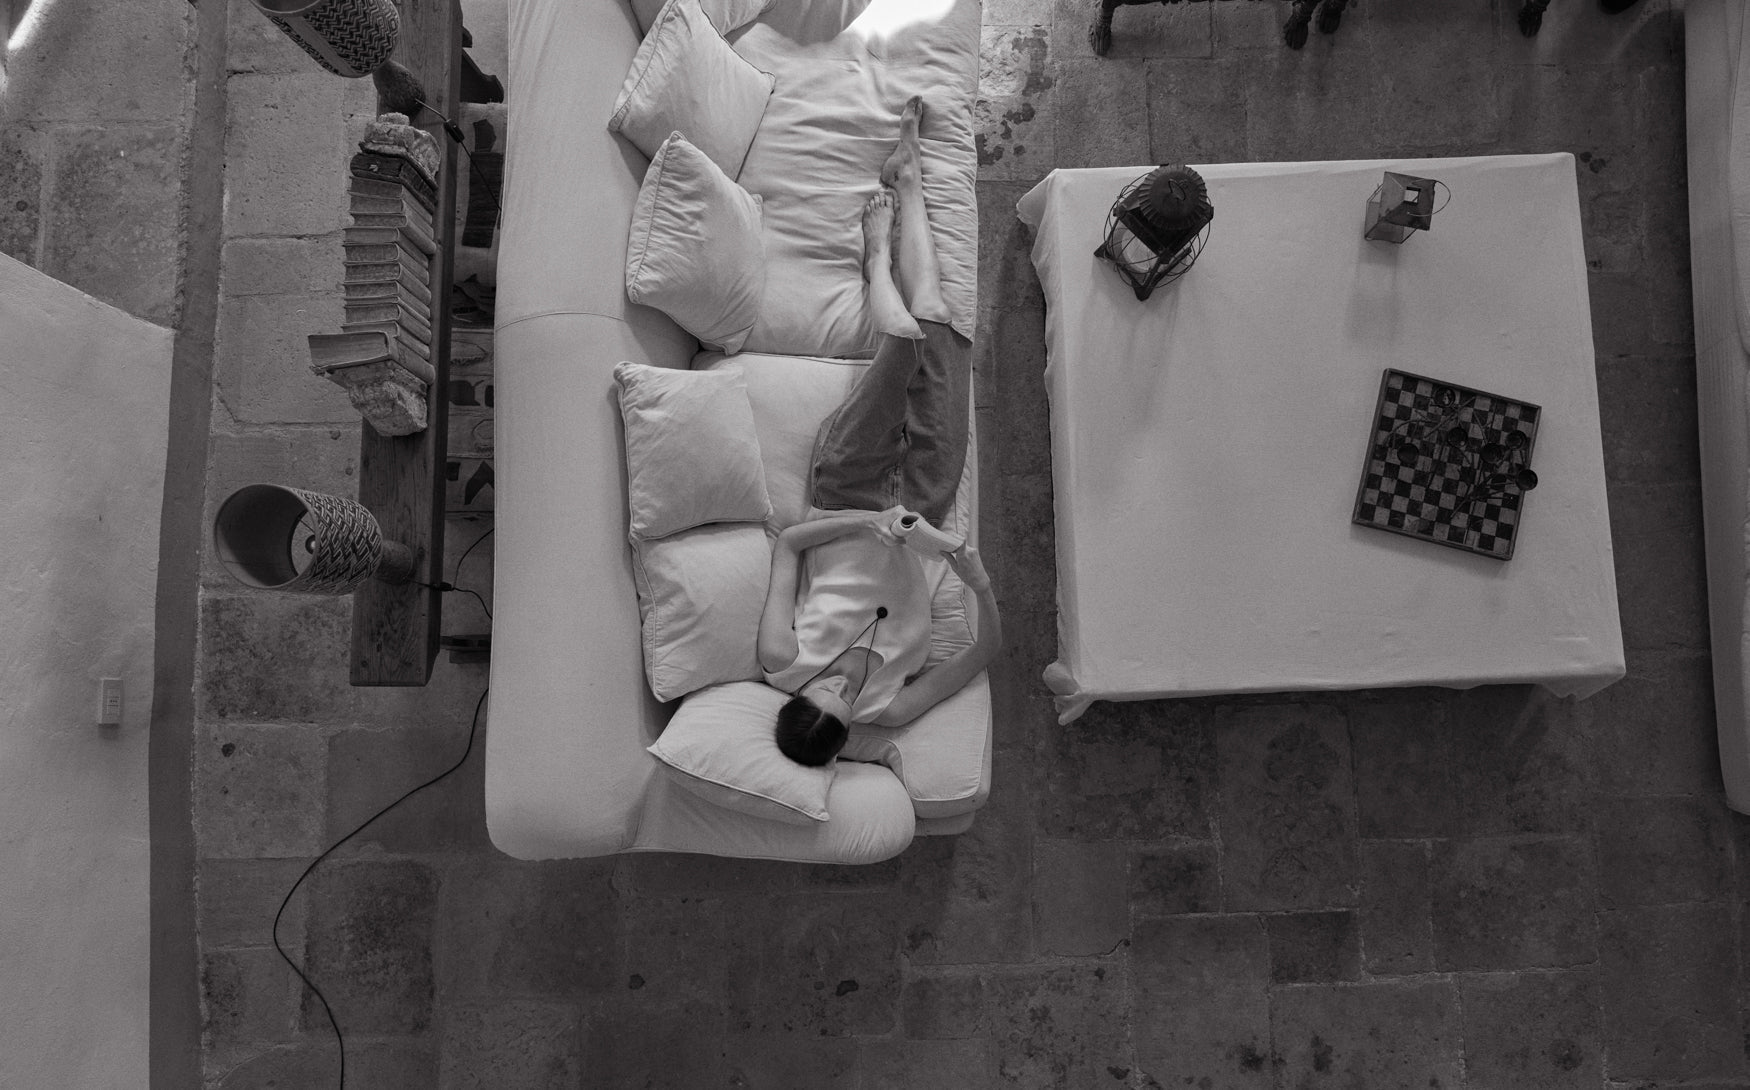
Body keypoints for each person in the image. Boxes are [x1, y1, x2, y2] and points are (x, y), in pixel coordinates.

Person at [757, 96, 1003, 767]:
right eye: (845, 695)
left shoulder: (782, 659)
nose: (839, 681)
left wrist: (863, 525)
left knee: (901, 341)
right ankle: (912, 180)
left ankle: (874, 256)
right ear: (848, 729)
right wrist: (973, 576)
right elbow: (987, 653)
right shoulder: (890, 706)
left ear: (798, 696)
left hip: (845, 490)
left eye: (825, 686)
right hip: (922, 508)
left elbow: (790, 545)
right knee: (934, 317)